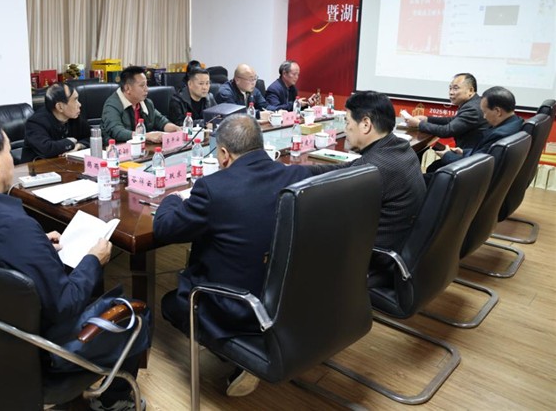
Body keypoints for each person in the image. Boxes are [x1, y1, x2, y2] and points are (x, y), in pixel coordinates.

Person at [0, 112, 151, 411]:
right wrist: (93, 259)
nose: (11, 159)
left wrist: (35, 247)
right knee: (135, 313)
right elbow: (65, 305)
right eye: (8, 151)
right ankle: (115, 401)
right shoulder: (16, 229)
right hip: (44, 351)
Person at [153, 114, 313, 398]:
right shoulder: (297, 175)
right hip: (284, 298)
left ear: (224, 154)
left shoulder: (213, 188)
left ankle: (241, 356)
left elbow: (164, 228)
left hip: (235, 308)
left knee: (169, 303)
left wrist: (171, 199)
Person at [306, 91, 426, 283]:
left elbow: (332, 205)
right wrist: (300, 171)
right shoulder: (399, 148)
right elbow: (349, 168)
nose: (346, 129)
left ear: (365, 124)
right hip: (402, 250)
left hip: (376, 263)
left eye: (347, 122)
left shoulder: (373, 168)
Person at [406, 73, 488, 172]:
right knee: (433, 166)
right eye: (450, 88)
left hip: (470, 156)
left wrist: (419, 124)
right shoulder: (472, 103)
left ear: (470, 90)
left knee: (433, 168)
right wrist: (427, 119)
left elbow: (447, 131)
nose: (451, 92)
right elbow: (452, 120)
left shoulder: (472, 109)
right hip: (470, 152)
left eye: (456, 88)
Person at [432, 86, 523, 168]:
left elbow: (476, 165)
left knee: (433, 169)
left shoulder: (499, 135)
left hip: (474, 176)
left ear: (497, 111)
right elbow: (485, 152)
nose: (484, 117)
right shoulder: (517, 122)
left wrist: (447, 155)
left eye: (485, 112)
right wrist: (464, 152)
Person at [101, 66, 180, 144]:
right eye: (142, 85)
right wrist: (144, 136)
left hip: (143, 148)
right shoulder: (112, 105)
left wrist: (176, 128)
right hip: (119, 149)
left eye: (146, 85)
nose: (146, 89)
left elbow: (160, 121)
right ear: (127, 88)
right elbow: (116, 131)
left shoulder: (146, 103)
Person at [22, 82, 90, 162]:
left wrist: (79, 145)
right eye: (75, 100)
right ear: (60, 107)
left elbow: (94, 136)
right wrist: (70, 142)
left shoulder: (74, 117)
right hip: (39, 167)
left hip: (65, 164)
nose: (79, 104)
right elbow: (47, 149)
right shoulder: (36, 122)